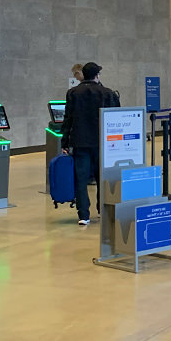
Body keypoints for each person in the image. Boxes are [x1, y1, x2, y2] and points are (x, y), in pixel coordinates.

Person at [61, 62, 120, 226]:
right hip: (103, 144)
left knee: (81, 179)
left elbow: (68, 120)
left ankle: (83, 215)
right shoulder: (107, 93)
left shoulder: (73, 93)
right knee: (103, 178)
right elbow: (116, 118)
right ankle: (103, 210)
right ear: (97, 75)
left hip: (80, 142)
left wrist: (64, 142)